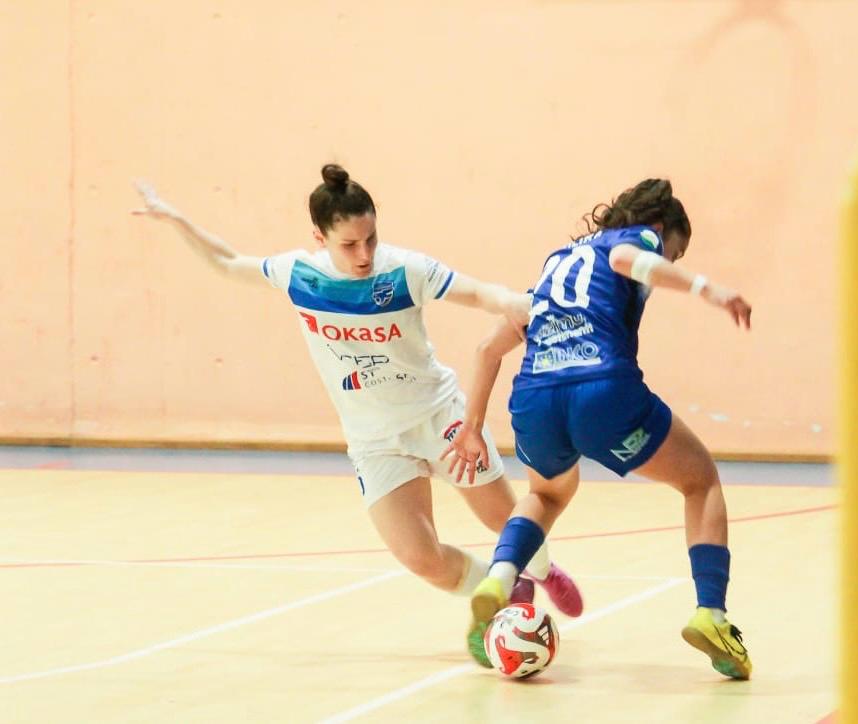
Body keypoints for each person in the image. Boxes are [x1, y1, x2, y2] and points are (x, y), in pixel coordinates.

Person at [131, 165, 584, 662]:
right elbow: (228, 261)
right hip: (375, 441)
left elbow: (477, 292)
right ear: (319, 237)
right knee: (421, 558)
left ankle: (543, 571)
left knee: (506, 521)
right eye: (349, 244)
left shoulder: (404, 270)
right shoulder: (298, 274)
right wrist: (176, 219)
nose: (364, 254)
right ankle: (508, 597)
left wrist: (518, 302)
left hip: (439, 420)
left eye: (370, 238)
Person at [442, 178, 755, 679]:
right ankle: (711, 615)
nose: (668, 260)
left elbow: (487, 349)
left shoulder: (556, 264)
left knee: (546, 495)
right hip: (601, 389)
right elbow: (630, 260)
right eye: (673, 251)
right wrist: (707, 288)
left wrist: (473, 427)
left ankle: (500, 576)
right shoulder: (633, 240)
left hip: (535, 399)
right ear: (659, 228)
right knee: (700, 479)